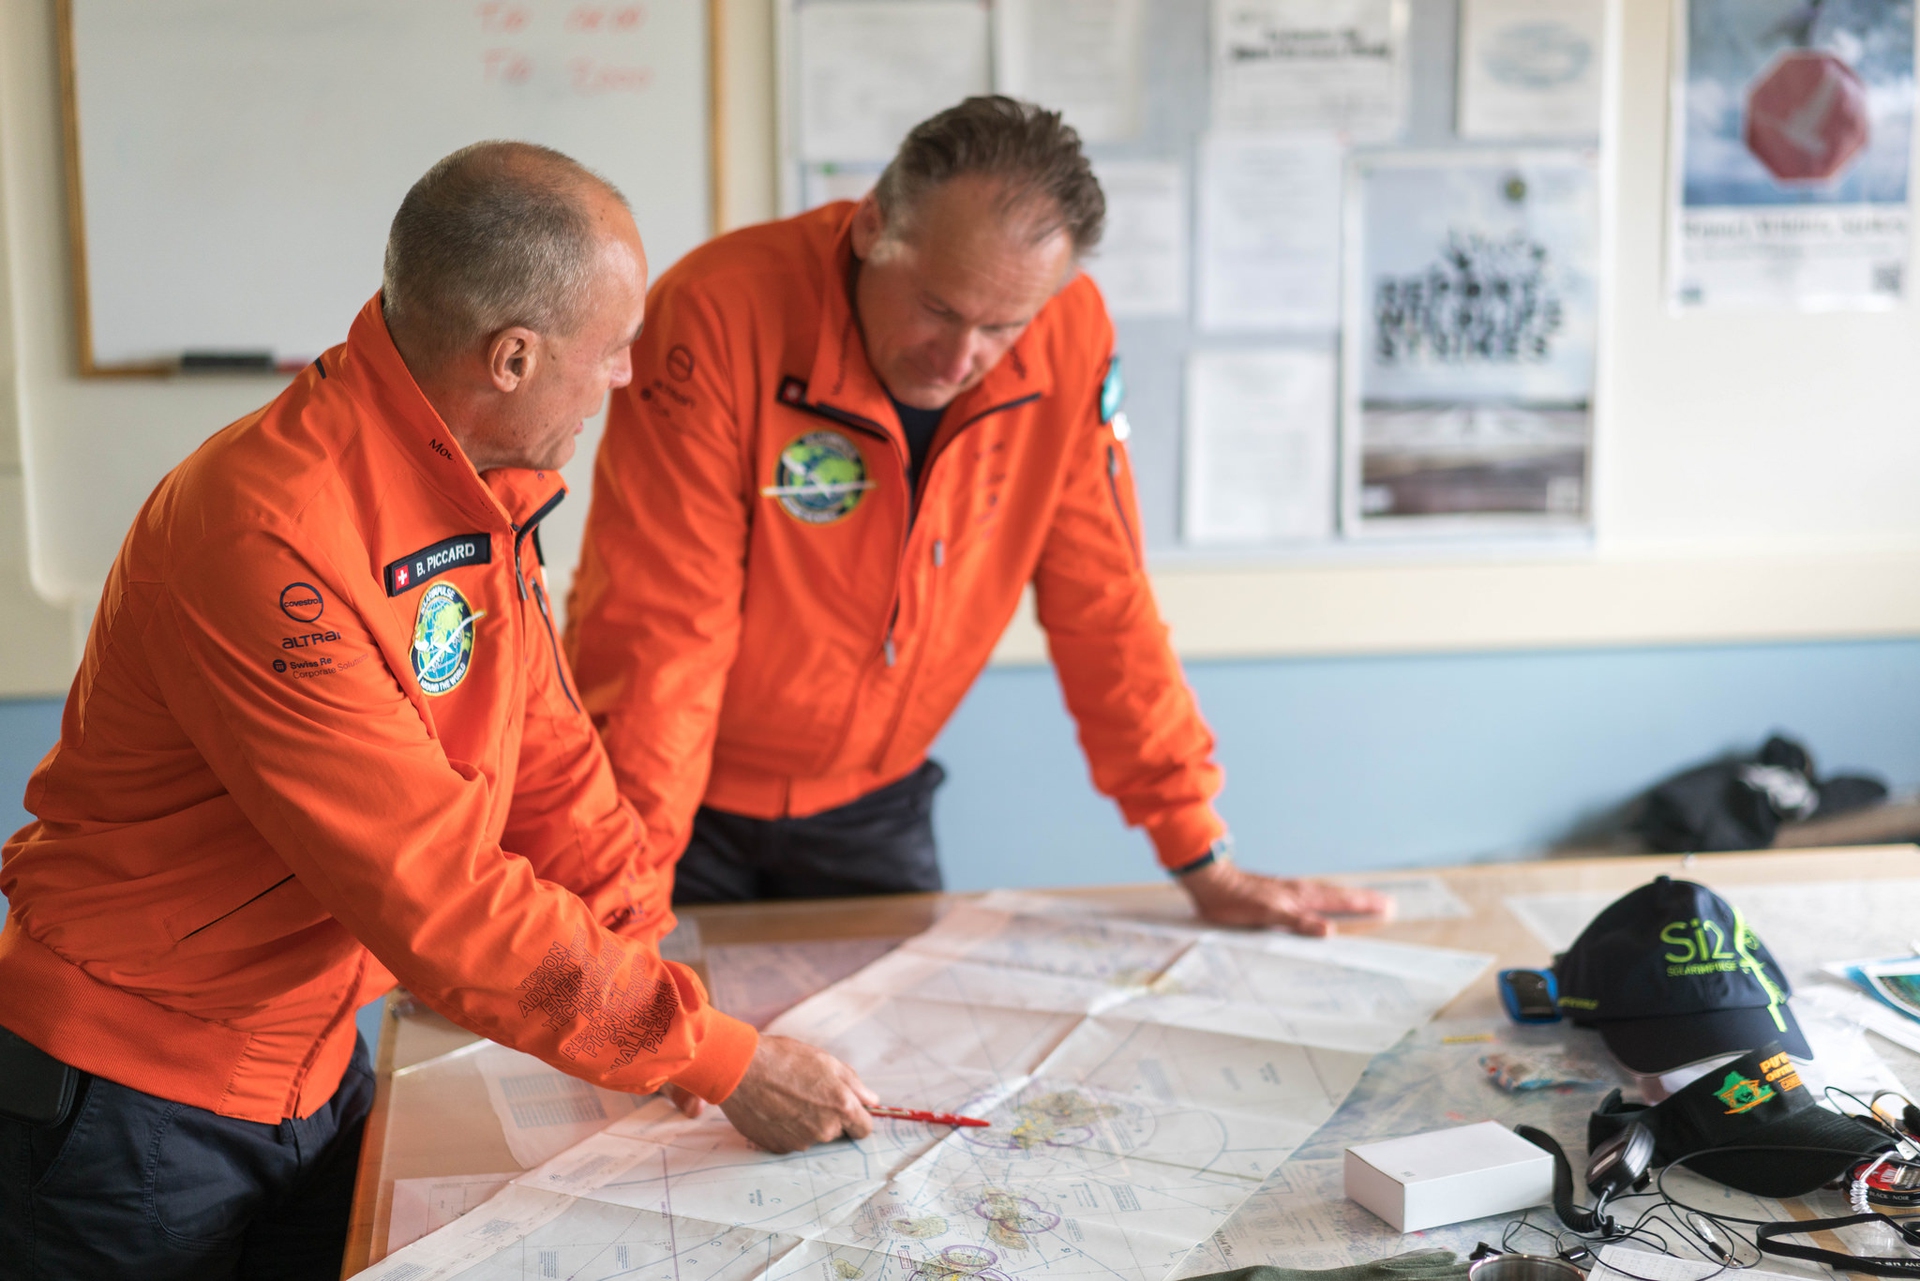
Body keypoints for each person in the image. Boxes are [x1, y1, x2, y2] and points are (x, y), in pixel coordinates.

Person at [0, 142, 873, 1281]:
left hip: (315, 1062)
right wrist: (706, 1055)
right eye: (611, 352)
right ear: (513, 357)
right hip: (129, 1107)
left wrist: (653, 985)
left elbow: (551, 765)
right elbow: (437, 891)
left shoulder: (480, 484)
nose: (622, 381)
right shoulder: (269, 534)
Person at [565, 98, 1387, 934]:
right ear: (872, 228)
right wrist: (624, 910)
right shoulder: (717, 311)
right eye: (938, 308)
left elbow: (1103, 602)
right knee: (637, 1048)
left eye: (1002, 327)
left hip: (872, 804)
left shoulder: (1071, 336)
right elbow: (664, 634)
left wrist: (1199, 851)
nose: (960, 359)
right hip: (664, 807)